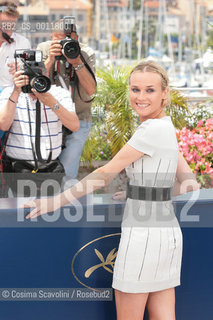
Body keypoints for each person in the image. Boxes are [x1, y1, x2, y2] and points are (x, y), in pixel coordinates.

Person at [24, 60, 200, 319]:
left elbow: (103, 174)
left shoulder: (150, 130)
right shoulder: (166, 126)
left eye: (149, 90)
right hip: (168, 237)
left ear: (165, 93)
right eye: (135, 89)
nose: (140, 97)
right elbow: (189, 184)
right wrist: (138, 192)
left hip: (143, 239)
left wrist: (54, 202)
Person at [0, 61, 80, 197]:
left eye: (38, 77)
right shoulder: (10, 92)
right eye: (29, 77)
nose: (33, 83)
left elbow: (74, 125)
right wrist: (15, 92)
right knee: (17, 214)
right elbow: (3, 125)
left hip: (49, 169)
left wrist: (51, 102)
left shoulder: (59, 94)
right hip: (16, 168)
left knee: (48, 214)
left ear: (46, 75)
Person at [37, 18, 96, 184]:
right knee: (44, 174)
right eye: (57, 38)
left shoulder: (85, 53)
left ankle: (64, 204)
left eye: (65, 39)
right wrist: (49, 60)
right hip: (47, 120)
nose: (61, 43)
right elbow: (36, 83)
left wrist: (77, 62)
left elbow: (91, 90)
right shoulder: (43, 49)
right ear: (51, 37)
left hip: (78, 119)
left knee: (68, 174)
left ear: (75, 38)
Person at [0, 0, 31, 89]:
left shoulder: (23, 42)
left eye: (12, 26)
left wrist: (23, 68)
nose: (9, 32)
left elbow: (31, 71)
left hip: (13, 94)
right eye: (5, 26)